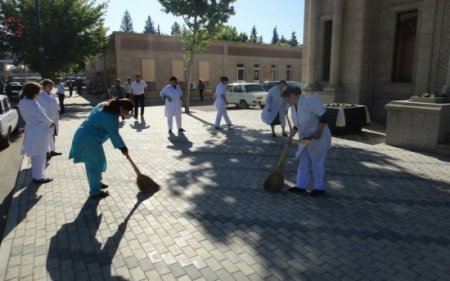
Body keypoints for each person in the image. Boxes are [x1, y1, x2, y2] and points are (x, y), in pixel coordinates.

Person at [69, 98, 134, 200]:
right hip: (88, 140)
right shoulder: (111, 118)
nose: (124, 114)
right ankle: (95, 192)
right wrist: (123, 148)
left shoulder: (104, 105)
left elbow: (95, 114)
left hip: (85, 136)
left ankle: (97, 183)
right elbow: (114, 135)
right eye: (125, 111)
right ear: (121, 107)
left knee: (98, 162)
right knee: (93, 165)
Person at [281, 86, 332, 197]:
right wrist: (290, 137)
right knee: (303, 160)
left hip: (318, 137)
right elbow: (296, 125)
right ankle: (301, 186)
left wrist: (318, 132)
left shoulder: (310, 101)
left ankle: (320, 188)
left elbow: (324, 116)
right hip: (304, 138)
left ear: (292, 96)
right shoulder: (293, 108)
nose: (286, 103)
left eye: (286, 99)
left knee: (317, 162)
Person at [18, 82, 54, 184]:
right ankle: (39, 177)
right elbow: (41, 115)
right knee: (40, 155)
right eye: (38, 91)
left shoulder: (24, 101)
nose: (38, 94)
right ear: (33, 92)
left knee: (36, 154)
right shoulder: (31, 103)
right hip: (38, 130)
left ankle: (37, 175)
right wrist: (50, 123)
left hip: (32, 129)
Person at [36, 79, 62, 158]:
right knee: (45, 136)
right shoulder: (39, 95)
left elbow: (56, 105)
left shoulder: (52, 95)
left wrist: (58, 110)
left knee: (53, 134)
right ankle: (46, 152)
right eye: (49, 86)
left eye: (52, 86)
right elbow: (37, 108)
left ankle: (52, 151)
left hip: (54, 118)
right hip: (45, 119)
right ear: (44, 86)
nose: (51, 87)